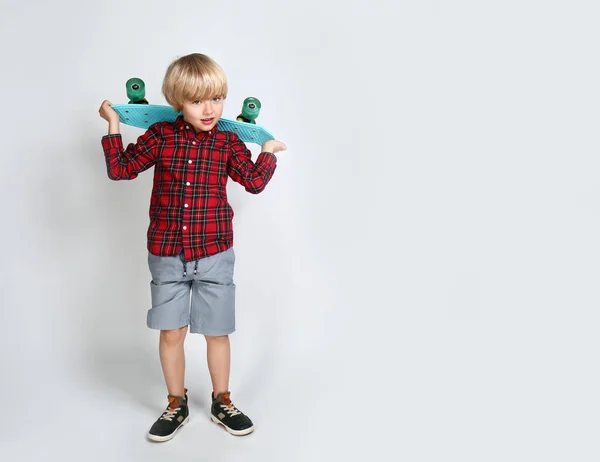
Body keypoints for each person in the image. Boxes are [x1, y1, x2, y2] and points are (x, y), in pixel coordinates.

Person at [98, 53, 287, 442]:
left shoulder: (228, 142)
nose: (209, 109)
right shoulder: (160, 136)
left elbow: (252, 181)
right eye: (198, 100)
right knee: (171, 333)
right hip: (167, 253)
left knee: (217, 332)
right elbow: (120, 169)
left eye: (216, 98)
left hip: (215, 252)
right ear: (177, 101)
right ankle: (175, 403)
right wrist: (115, 124)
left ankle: (222, 401)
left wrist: (266, 152)